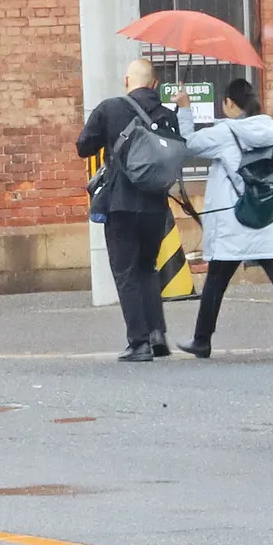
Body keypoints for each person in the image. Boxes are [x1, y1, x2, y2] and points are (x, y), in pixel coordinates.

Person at [179, 76, 273, 360]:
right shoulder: (272, 129)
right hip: (266, 215)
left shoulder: (225, 133)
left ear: (229, 103)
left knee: (216, 279)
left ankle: (202, 340)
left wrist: (184, 109)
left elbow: (188, 143)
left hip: (234, 220)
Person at [76, 57, 181, 361]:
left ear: (126, 82)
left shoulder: (110, 108)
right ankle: (158, 333)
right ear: (155, 84)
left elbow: (83, 146)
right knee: (148, 268)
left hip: (120, 204)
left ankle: (139, 342)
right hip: (155, 207)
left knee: (126, 273)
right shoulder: (167, 115)